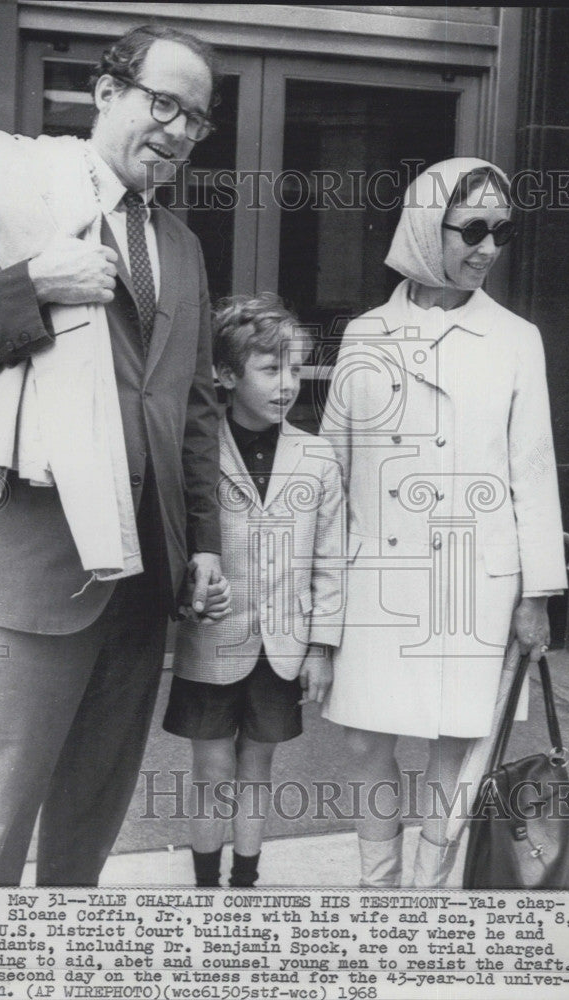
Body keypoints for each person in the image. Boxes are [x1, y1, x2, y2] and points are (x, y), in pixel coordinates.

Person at [0, 23, 231, 886]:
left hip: (141, 577)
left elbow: (191, 410)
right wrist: (31, 287)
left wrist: (201, 544)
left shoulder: (183, 249)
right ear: (106, 92)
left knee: (86, 839)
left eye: (198, 117)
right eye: (165, 104)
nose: (181, 131)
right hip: (24, 570)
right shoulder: (13, 192)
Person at [319, 158, 567, 888]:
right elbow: (332, 471)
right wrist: (316, 595)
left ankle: (426, 895)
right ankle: (378, 888)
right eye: (474, 230)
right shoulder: (365, 333)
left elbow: (535, 469)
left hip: (476, 581)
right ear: (429, 228)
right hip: (379, 579)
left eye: (503, 232)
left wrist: (537, 593)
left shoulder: (518, 339)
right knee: (367, 740)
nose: (489, 248)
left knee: (456, 747)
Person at [163, 294, 346, 887]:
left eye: (294, 369)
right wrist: (188, 591)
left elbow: (330, 560)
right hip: (212, 641)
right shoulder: (195, 453)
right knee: (211, 770)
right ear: (225, 373)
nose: (287, 384)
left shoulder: (316, 457)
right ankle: (204, 884)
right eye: (271, 370)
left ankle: (245, 883)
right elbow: (175, 539)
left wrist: (319, 647)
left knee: (257, 769)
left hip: (282, 645)